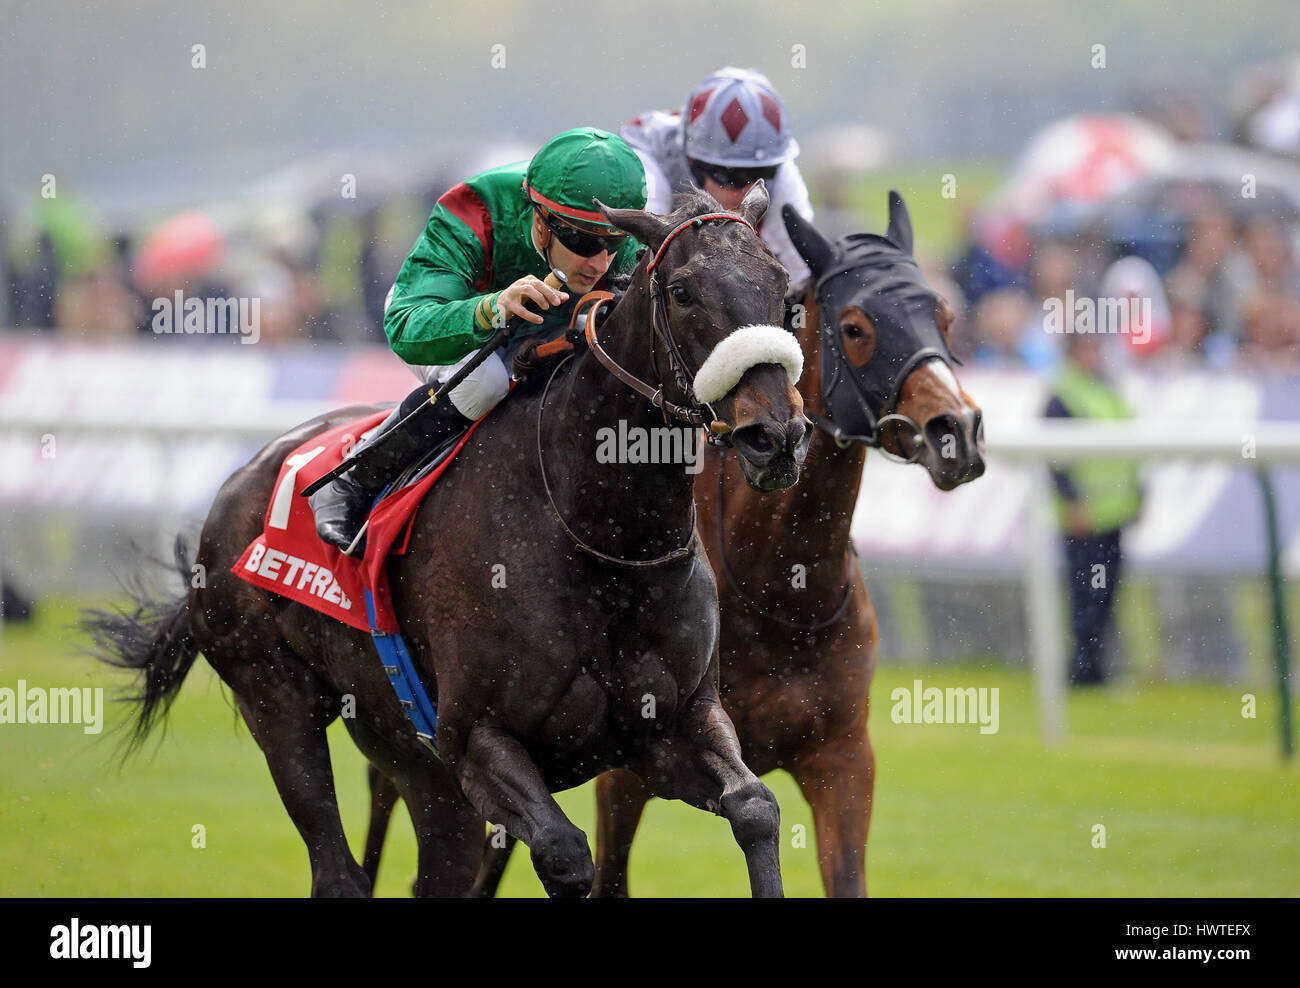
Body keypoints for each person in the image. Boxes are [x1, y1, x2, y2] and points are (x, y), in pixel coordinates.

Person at [309, 127, 647, 553]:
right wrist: (491, 309)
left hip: (545, 336)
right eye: (582, 241)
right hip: (441, 318)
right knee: (484, 380)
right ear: (539, 220)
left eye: (614, 243)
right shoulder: (475, 209)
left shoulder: (627, 236)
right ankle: (356, 473)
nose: (600, 261)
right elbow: (408, 325)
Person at [621, 67, 814, 283]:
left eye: (760, 173)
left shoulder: (780, 168)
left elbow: (802, 272)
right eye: (730, 176)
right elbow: (634, 271)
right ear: (694, 163)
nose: (745, 191)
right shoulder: (650, 168)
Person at [1044, 334, 1142, 685]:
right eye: (1088, 348)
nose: (1095, 355)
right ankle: (1084, 670)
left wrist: (1138, 495)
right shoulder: (1062, 396)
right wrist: (1073, 502)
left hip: (1114, 514)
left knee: (1106, 593)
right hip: (1084, 519)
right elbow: (1055, 459)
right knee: (1087, 594)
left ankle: (1095, 667)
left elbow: (1132, 447)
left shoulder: (1106, 389)